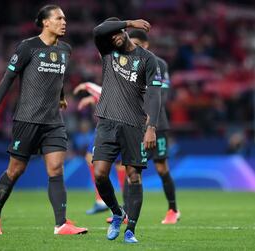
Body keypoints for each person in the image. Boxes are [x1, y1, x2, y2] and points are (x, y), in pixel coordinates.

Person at [0, 5, 87, 235]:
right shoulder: (27, 47)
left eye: (65, 18)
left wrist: (60, 97)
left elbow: (59, 77)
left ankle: (61, 224)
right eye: (59, 18)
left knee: (56, 168)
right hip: (27, 119)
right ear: (45, 23)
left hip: (53, 121)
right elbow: (8, 77)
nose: (64, 22)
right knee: (15, 170)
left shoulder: (66, 50)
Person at [92, 17, 161, 243]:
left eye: (117, 32)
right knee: (100, 174)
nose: (114, 37)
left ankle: (130, 229)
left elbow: (154, 94)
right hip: (107, 122)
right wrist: (130, 22)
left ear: (124, 32)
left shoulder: (147, 59)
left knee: (134, 177)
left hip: (133, 124)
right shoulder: (107, 52)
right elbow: (98, 30)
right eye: (111, 34)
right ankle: (117, 212)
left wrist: (151, 127)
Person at [127, 29, 180, 224]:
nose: (133, 47)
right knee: (132, 168)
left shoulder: (159, 64)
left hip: (158, 124)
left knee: (161, 166)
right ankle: (125, 214)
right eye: (130, 43)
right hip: (135, 124)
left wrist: (147, 116)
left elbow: (161, 95)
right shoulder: (128, 64)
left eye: (136, 44)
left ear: (146, 45)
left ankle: (173, 210)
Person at [73, 82, 126, 215]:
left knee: (119, 164)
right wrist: (93, 98)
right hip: (116, 125)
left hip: (111, 126)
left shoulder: (118, 75)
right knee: (93, 158)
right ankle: (114, 203)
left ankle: (121, 205)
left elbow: (104, 93)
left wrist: (86, 85)